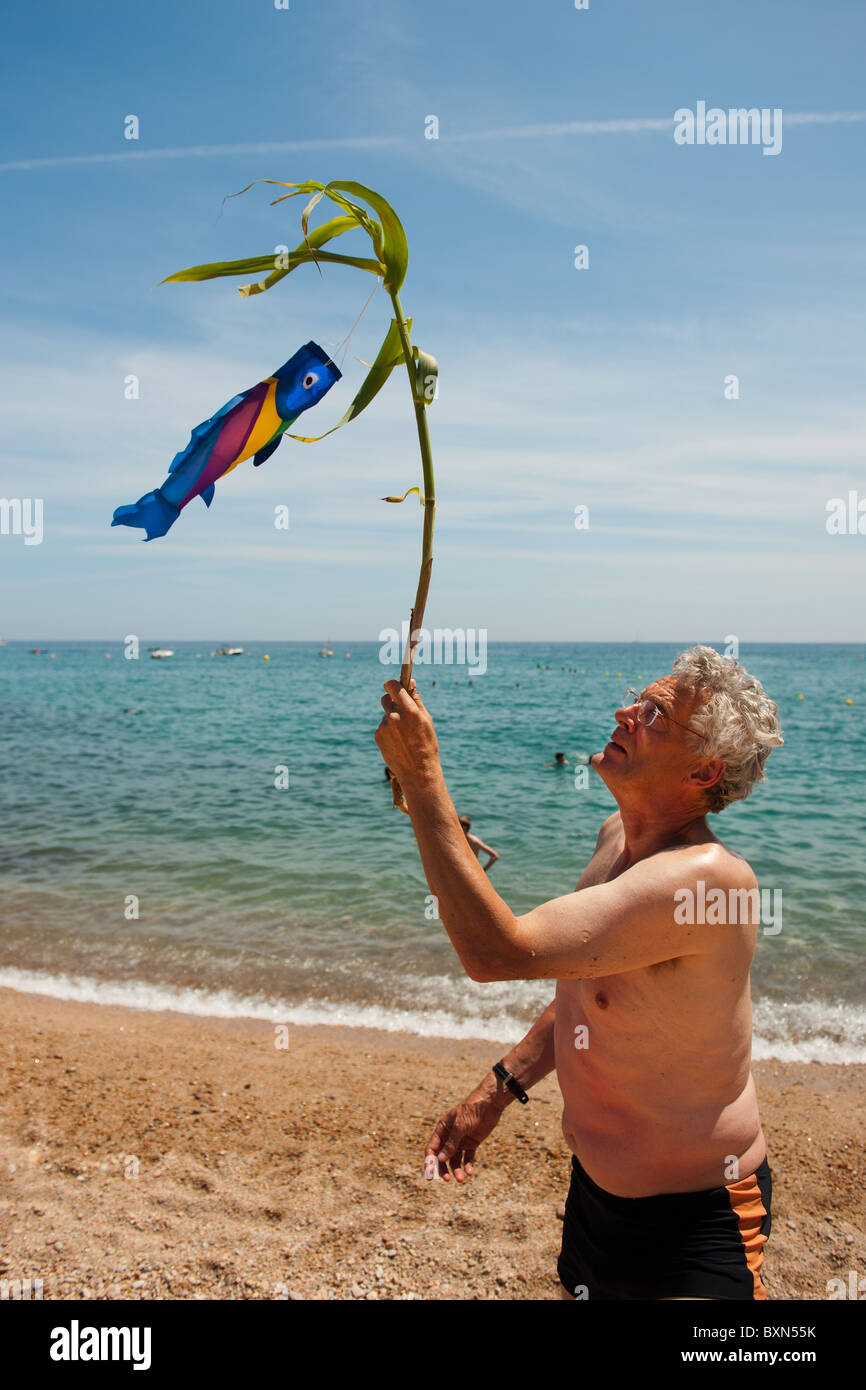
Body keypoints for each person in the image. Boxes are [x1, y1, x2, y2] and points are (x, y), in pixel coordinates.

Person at [374, 645, 783, 1301]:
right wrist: (499, 1087)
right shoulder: (614, 839)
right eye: (638, 699)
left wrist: (423, 774)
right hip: (595, 1200)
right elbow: (592, 993)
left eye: (654, 715)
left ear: (704, 772)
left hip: (697, 1221)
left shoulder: (708, 878)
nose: (627, 713)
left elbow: (496, 953)